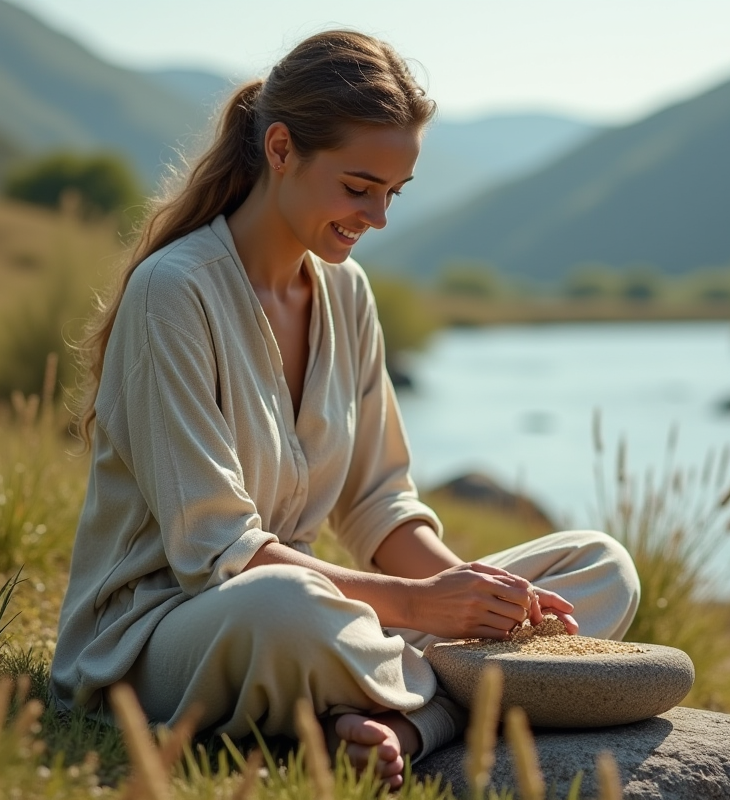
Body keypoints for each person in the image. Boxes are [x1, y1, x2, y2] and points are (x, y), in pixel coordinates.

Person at [50, 29, 641, 788]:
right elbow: (217, 549)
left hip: (331, 617)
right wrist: (425, 609)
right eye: (359, 187)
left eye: (393, 194)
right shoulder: (175, 292)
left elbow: (378, 506)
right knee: (285, 604)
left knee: (601, 567)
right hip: (168, 634)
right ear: (281, 148)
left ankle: (388, 717)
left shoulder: (347, 295)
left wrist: (483, 602)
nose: (378, 217)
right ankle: (442, 711)